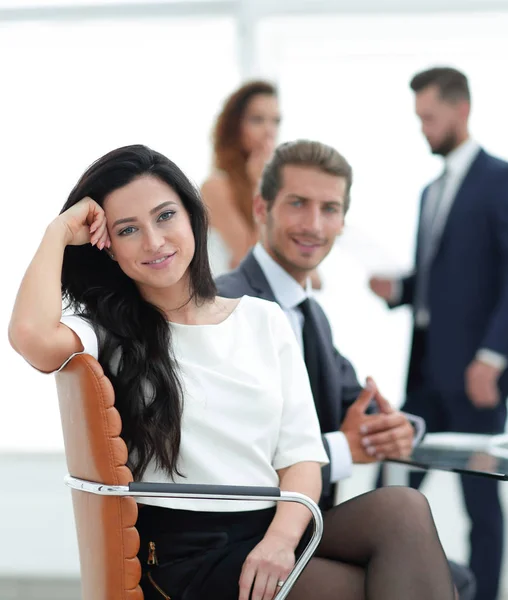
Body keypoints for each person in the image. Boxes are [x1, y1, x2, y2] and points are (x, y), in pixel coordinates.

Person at [9, 144, 456, 600]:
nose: (155, 242)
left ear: (192, 219)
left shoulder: (263, 319)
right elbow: (31, 337)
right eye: (128, 230)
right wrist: (59, 231)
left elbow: (302, 459)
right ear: (110, 249)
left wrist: (280, 543)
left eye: (165, 216)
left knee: (404, 509)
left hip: (271, 526)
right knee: (386, 587)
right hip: (186, 556)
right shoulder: (109, 331)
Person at [216, 139, 476, 600]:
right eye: (298, 204)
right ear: (262, 207)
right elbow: (237, 456)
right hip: (249, 530)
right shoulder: (227, 304)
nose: (315, 225)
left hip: (306, 521)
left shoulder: (310, 315)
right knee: (418, 547)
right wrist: (345, 448)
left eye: (330, 209)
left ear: (342, 220)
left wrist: (398, 429)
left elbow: (354, 402)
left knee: (446, 566)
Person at [369, 67, 508, 600]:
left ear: (460, 109)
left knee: (481, 502)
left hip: (475, 376)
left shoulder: (505, 180)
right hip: (425, 371)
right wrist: (400, 290)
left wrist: (492, 357)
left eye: (429, 116)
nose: (422, 128)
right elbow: (446, 279)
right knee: (389, 488)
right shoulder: (431, 191)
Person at [202, 80, 279, 275]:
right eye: (257, 120)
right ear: (234, 126)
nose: (269, 130)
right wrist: (259, 185)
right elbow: (253, 263)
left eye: (276, 121)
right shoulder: (215, 186)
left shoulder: (279, 184)